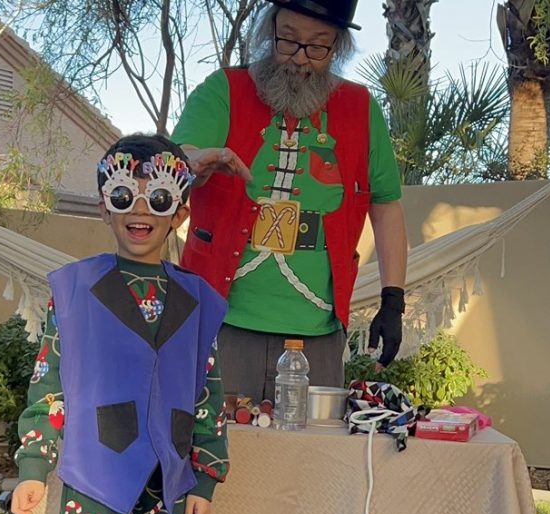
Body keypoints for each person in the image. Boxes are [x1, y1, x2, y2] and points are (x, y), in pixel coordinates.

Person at [10, 134, 230, 514]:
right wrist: (34, 468)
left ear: (179, 213)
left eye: (159, 199)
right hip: (96, 484)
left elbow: (208, 399)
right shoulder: (75, 292)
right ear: (104, 208)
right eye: (124, 196)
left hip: (171, 490)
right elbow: (50, 387)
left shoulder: (197, 301)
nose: (141, 211)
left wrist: (204, 482)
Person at [172, 0, 408, 402]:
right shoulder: (224, 89)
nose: (300, 58)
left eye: (318, 46)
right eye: (288, 41)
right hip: (220, 323)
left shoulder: (361, 108)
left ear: (338, 47)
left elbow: (385, 206)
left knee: (313, 461)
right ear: (270, 31)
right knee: (211, 455)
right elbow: (180, 152)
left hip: (317, 332)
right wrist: (192, 159)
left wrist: (393, 299)